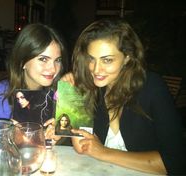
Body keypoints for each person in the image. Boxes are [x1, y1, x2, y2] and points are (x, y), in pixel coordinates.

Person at [61, 18, 186, 175]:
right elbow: (82, 147)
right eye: (91, 59)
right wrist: (70, 96)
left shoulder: (151, 87)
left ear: (127, 58)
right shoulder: (92, 89)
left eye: (107, 60)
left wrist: (104, 152)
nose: (96, 69)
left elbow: (177, 162)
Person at [0, 23, 67, 124]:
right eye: (43, 59)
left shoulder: (59, 96)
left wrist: (58, 136)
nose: (53, 69)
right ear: (23, 61)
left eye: (57, 60)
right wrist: (8, 135)